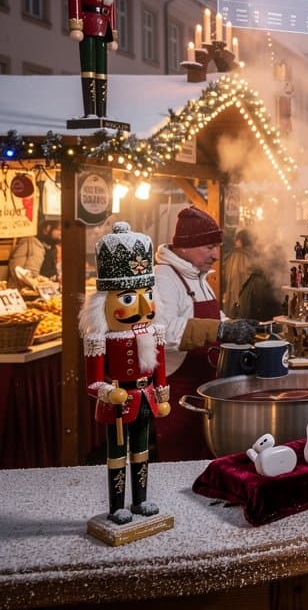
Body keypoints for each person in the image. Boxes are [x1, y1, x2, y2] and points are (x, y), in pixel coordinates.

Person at [80, 221, 171, 524]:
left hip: (143, 399)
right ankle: (118, 504)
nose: (143, 305)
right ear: (103, 305)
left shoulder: (152, 333)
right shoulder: (99, 340)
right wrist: (109, 392)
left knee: (142, 452)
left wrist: (161, 395)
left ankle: (140, 501)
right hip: (118, 404)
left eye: (147, 294)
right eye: (129, 298)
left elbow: (159, 370)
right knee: (117, 455)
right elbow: (92, 382)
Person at [153, 206, 256, 461]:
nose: (216, 255)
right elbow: (162, 331)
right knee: (180, 462)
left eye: (217, 246)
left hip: (205, 388)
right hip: (178, 394)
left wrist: (237, 326)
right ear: (186, 246)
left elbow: (213, 318)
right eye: (209, 247)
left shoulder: (198, 277)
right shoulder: (163, 278)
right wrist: (220, 329)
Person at [9, 220, 62, 288]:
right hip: (25, 290)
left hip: (42, 288)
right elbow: (31, 275)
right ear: (47, 229)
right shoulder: (33, 243)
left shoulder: (52, 248)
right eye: (60, 230)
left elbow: (50, 272)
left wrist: (56, 278)